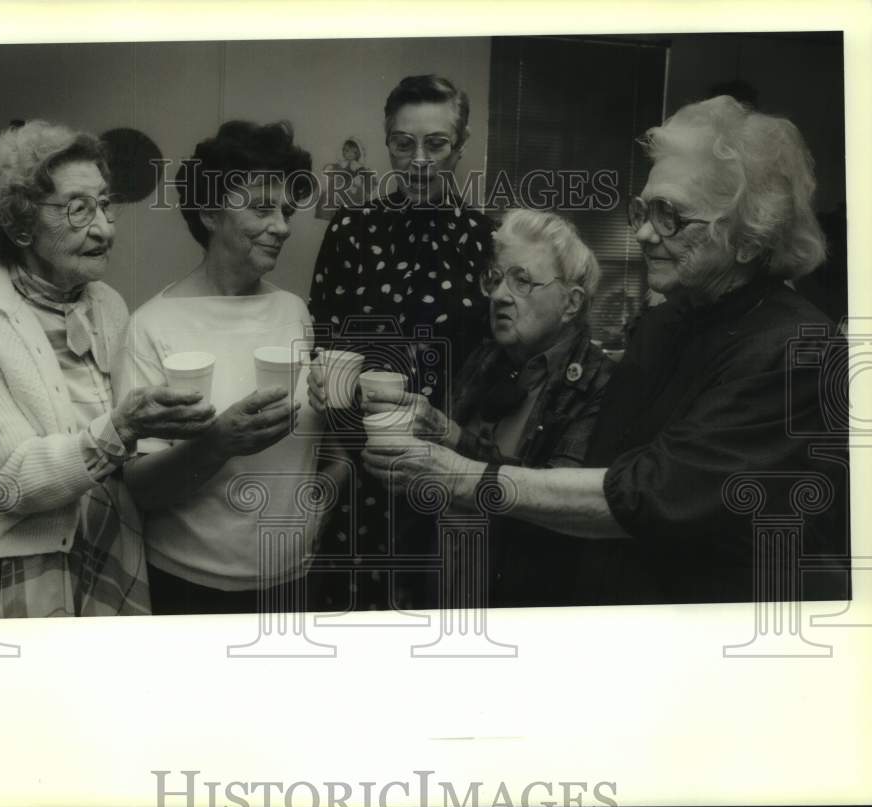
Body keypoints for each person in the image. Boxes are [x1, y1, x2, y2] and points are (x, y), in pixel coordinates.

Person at [362, 95, 850, 606]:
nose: (640, 232)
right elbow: (576, 473)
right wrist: (448, 435)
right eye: (643, 209)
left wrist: (458, 476)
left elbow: (645, 495)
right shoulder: (665, 323)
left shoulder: (797, 348)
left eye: (670, 216)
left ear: (748, 237)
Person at [0, 120, 215, 619]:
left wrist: (173, 429)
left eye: (105, 204)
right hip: (12, 574)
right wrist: (123, 426)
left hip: (110, 551)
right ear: (19, 225)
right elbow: (11, 481)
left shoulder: (108, 304)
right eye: (78, 210)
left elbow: (127, 453)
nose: (104, 228)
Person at [113, 120, 324, 615]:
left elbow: (315, 445)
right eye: (261, 208)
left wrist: (327, 492)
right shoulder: (152, 325)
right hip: (191, 586)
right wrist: (218, 442)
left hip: (294, 580)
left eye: (286, 210)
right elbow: (139, 488)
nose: (283, 226)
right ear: (209, 211)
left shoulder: (294, 310)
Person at [358, 209, 614, 606]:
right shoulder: (484, 357)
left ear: (571, 303)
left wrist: (453, 437)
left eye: (522, 280)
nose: (498, 295)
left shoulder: (600, 384)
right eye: (496, 278)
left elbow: (558, 503)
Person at [308, 74, 495, 611]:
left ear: (459, 147)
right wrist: (324, 386)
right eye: (403, 142)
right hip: (360, 476)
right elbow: (323, 342)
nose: (419, 160)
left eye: (436, 144)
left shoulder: (488, 241)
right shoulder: (350, 230)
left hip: (450, 471)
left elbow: (503, 365)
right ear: (387, 140)